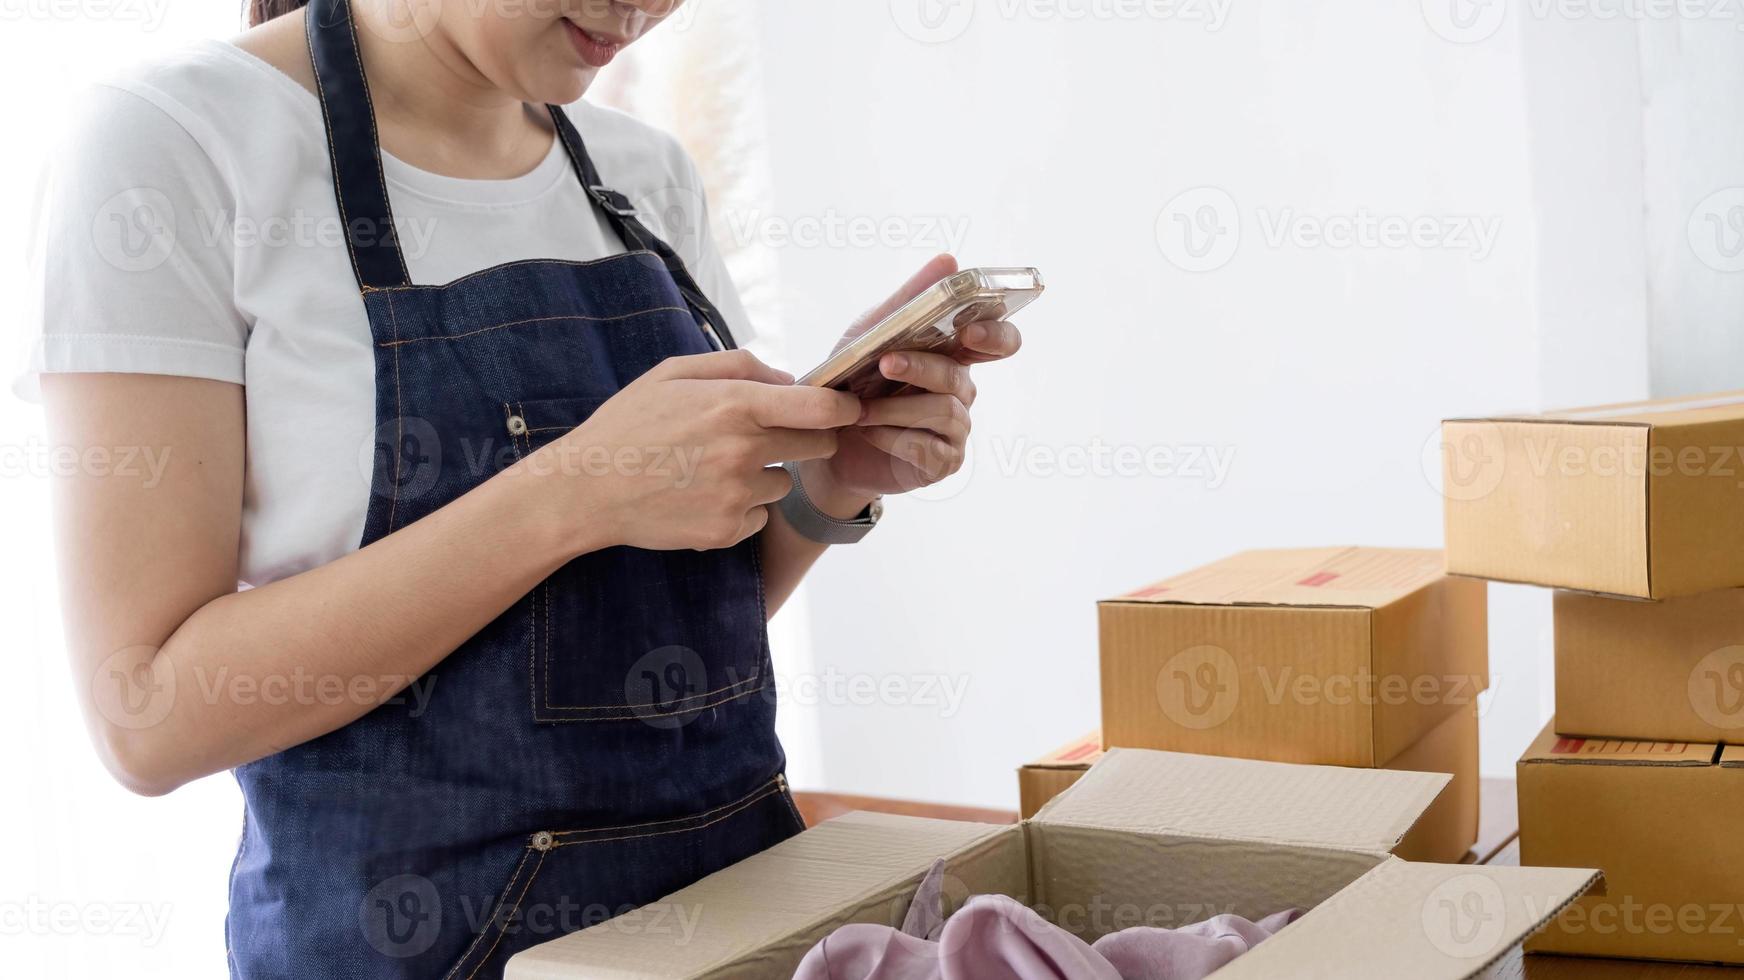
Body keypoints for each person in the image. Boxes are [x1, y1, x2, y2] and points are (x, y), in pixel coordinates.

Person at [26, 0, 1023, 975]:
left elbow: (640, 634)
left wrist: (826, 484)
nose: (644, 9)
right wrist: (573, 489)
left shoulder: (641, 175)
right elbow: (145, 715)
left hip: (739, 934)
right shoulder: (174, 145)